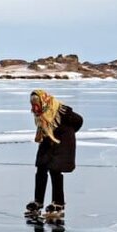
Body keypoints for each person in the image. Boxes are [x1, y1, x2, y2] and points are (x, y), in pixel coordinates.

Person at [25, 89, 83, 221]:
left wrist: (67, 133)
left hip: (62, 142)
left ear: (43, 100)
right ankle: (38, 201)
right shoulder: (40, 112)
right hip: (47, 140)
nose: (34, 106)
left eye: (36, 102)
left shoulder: (62, 111)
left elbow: (78, 121)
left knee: (55, 170)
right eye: (32, 102)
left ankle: (58, 203)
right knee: (41, 168)